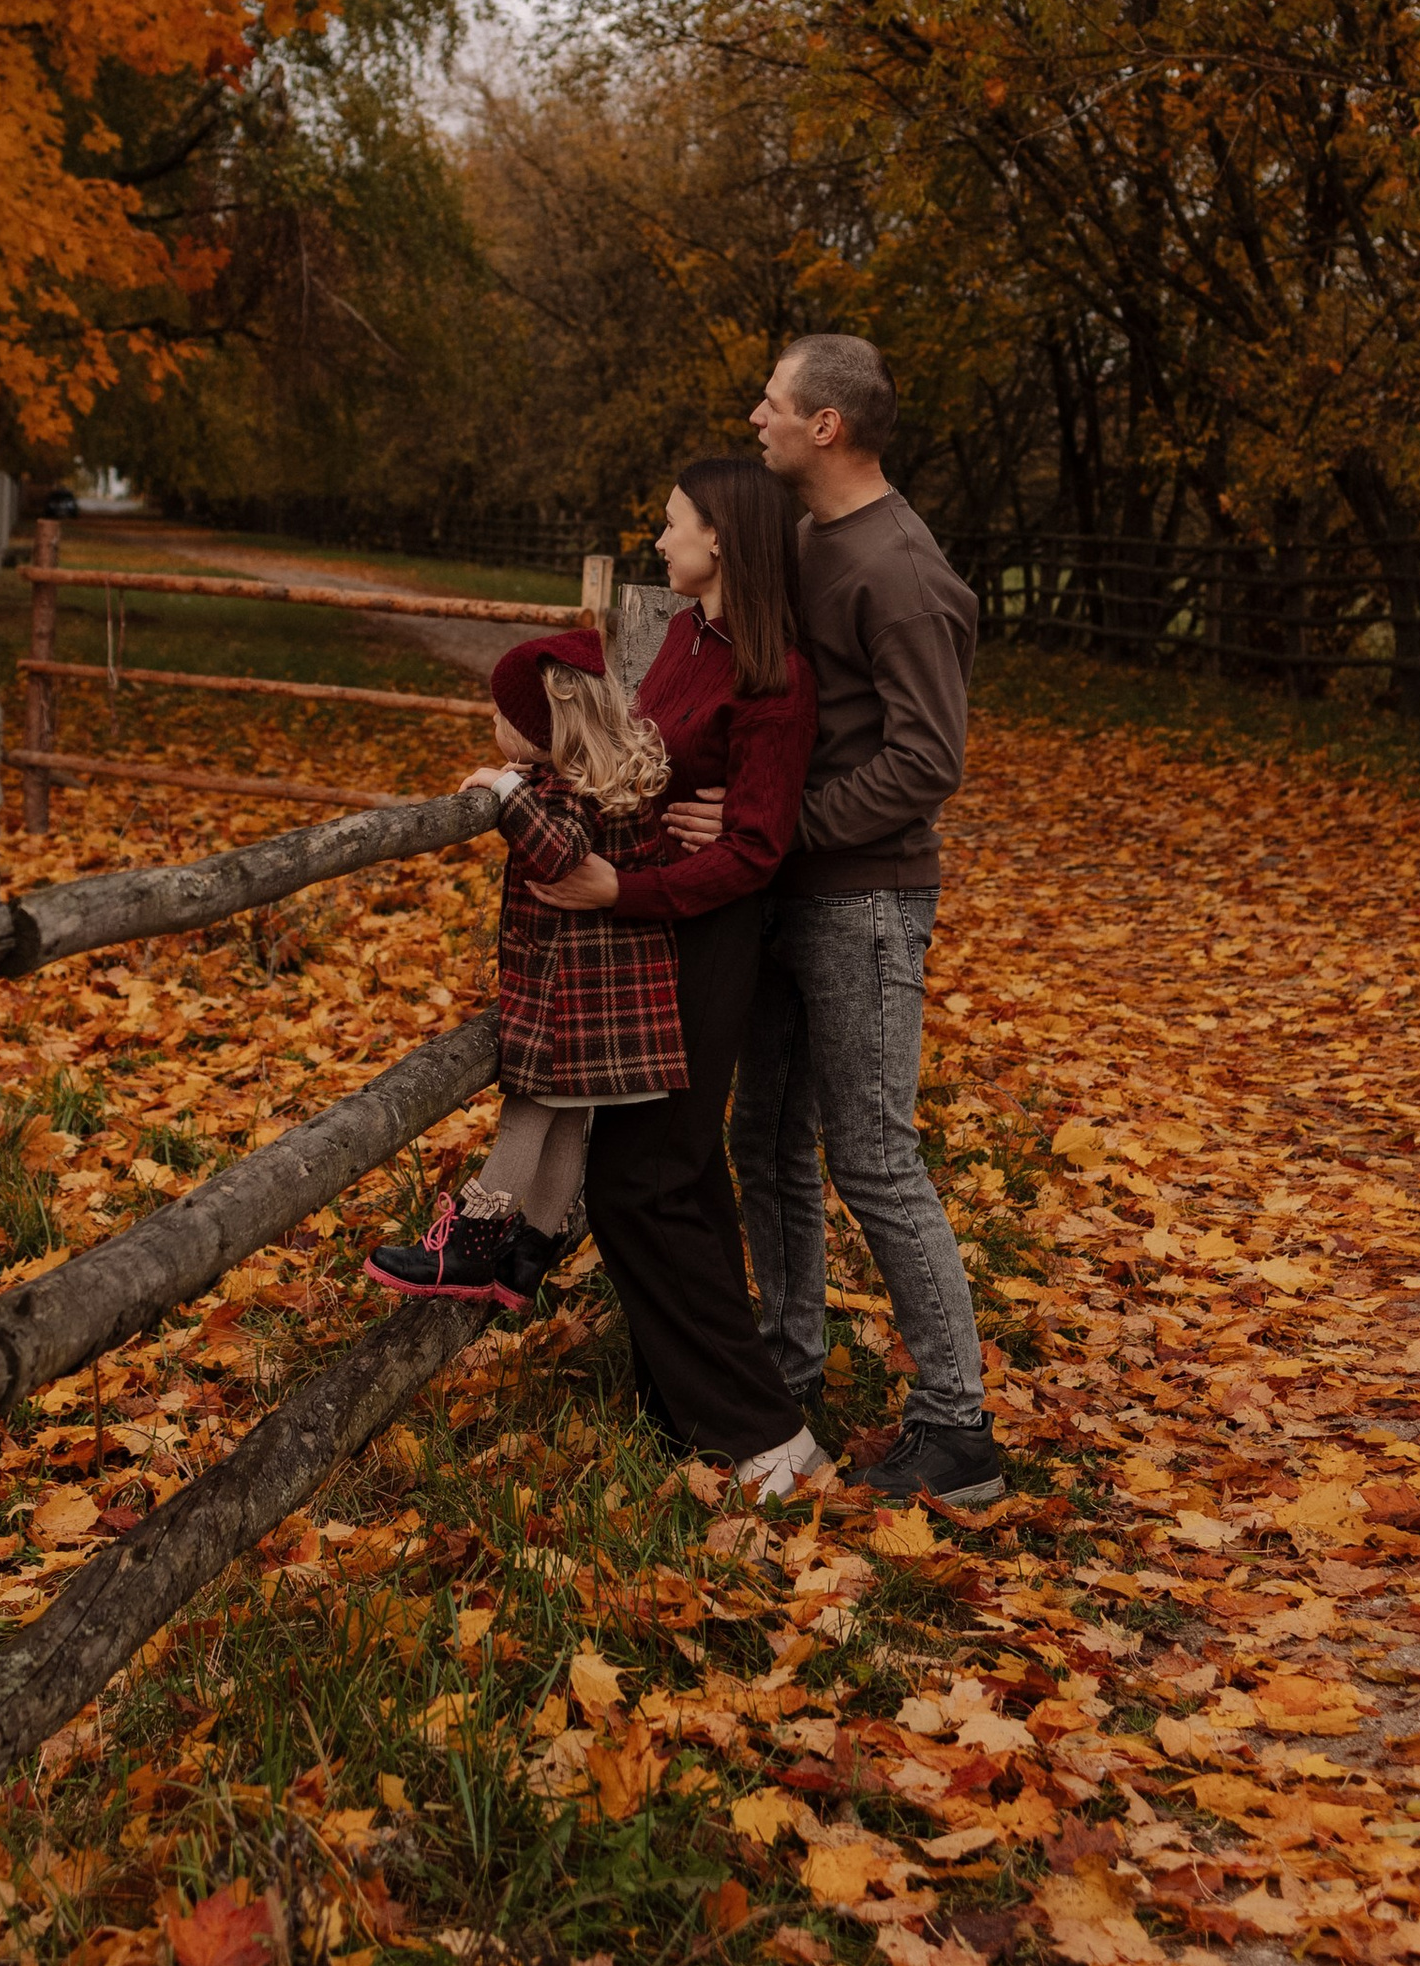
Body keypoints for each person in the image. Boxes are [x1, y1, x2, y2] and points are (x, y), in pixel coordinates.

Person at [728, 334, 1002, 1514]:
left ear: (826, 425)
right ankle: (786, 1371)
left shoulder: (899, 568)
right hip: (790, 897)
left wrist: (783, 829)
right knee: (764, 1143)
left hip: (867, 902)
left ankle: (959, 1431)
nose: (757, 416)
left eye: (773, 403)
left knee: (876, 1160)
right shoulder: (807, 542)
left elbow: (926, 762)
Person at [523, 456, 827, 1500]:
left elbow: (753, 852)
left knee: (640, 1185)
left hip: (706, 943)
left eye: (673, 525)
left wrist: (621, 892)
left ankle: (766, 1436)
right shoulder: (688, 638)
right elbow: (643, 767)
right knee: (678, 1181)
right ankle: (687, 1413)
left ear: (720, 539)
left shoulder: (772, 674)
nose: (660, 541)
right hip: (656, 931)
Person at [363, 644, 685, 1318]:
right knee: (567, 1128)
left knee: (524, 1122)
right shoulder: (591, 775)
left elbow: (559, 851)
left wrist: (507, 789)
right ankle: (528, 1254)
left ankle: (469, 1248)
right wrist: (524, 779)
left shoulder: (569, 788)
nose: (491, 722)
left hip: (569, 1001)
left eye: (500, 713)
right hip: (595, 999)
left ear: (545, 731)